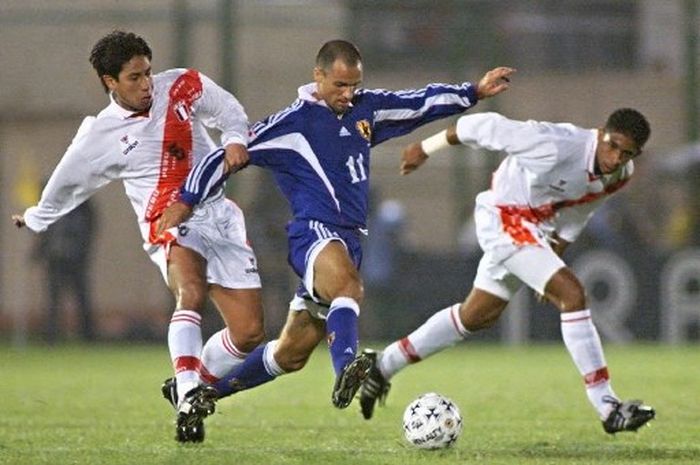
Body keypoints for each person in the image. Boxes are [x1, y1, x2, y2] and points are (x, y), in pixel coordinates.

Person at [156, 40, 514, 421]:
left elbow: (417, 103)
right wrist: (186, 200)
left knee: (291, 353)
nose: (348, 94)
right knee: (349, 286)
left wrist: (472, 92)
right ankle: (347, 367)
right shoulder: (291, 125)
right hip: (314, 234)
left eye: (354, 85)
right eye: (340, 85)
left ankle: (201, 396)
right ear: (318, 76)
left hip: (349, 239)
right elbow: (222, 155)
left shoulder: (365, 109)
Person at [11, 30, 265, 443]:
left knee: (250, 332)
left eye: (148, 72)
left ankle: (188, 380)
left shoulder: (181, 84)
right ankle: (187, 396)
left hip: (219, 213)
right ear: (110, 81)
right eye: (134, 77)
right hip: (167, 220)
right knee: (191, 291)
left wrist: (235, 138)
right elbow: (65, 182)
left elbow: (227, 109)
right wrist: (38, 217)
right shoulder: (100, 134)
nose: (147, 83)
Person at [359, 109, 656, 435]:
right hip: (503, 218)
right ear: (601, 132)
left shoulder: (620, 173)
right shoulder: (556, 143)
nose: (616, 158)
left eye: (627, 153)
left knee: (476, 316)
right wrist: (425, 148)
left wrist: (554, 251)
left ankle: (383, 365)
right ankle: (608, 407)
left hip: (534, 230)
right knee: (572, 295)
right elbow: (483, 125)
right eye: (613, 146)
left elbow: (582, 207)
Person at [32, 195, 97, 344]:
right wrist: (40, 252)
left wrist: (82, 251)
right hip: (56, 259)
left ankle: (88, 335)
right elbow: (45, 232)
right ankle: (51, 336)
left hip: (76, 259)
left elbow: (89, 229)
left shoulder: (83, 206)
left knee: (81, 297)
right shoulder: (52, 207)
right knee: (53, 299)